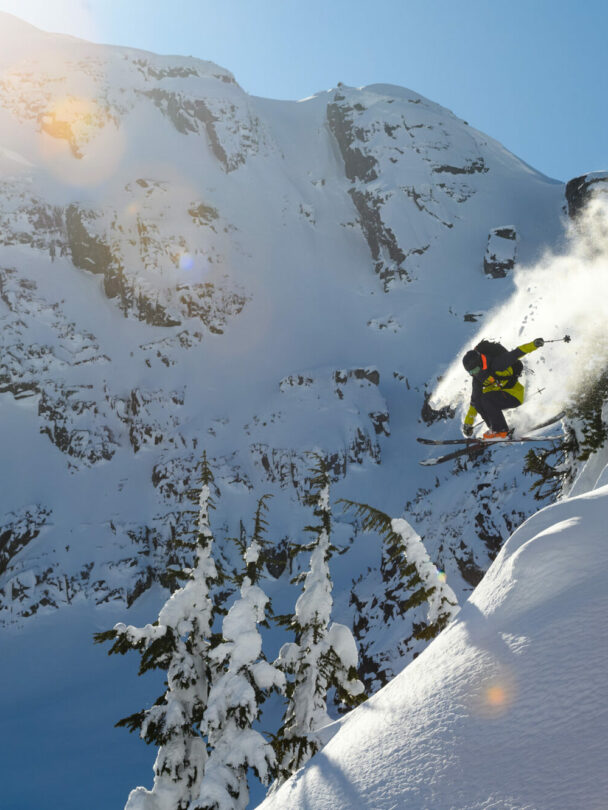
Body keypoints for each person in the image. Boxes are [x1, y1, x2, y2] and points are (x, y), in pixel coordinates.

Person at [462, 338, 544, 439]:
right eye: (471, 372)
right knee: (479, 401)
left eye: (475, 370)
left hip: (513, 395)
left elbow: (516, 353)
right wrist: (468, 423)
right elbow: (474, 402)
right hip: (498, 398)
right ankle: (494, 429)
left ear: (479, 363)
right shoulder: (477, 378)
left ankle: (501, 430)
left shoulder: (496, 364)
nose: (474, 374)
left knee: (486, 398)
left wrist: (534, 344)